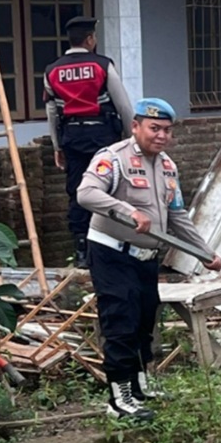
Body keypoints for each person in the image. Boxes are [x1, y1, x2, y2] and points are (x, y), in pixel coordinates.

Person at [78, 98, 221, 421]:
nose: (161, 135)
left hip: (146, 257)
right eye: (154, 128)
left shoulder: (167, 165)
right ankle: (119, 399)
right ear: (136, 126)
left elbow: (177, 216)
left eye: (167, 130)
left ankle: (140, 385)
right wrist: (129, 212)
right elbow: (86, 194)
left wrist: (206, 253)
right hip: (112, 252)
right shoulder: (113, 158)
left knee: (144, 320)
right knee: (121, 322)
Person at [44, 16, 134, 269]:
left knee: (78, 192)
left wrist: (57, 147)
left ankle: (82, 250)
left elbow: (52, 112)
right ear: (90, 39)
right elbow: (123, 105)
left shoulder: (52, 70)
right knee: (111, 188)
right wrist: (131, 139)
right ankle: (111, 244)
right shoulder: (102, 65)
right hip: (103, 138)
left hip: (72, 139)